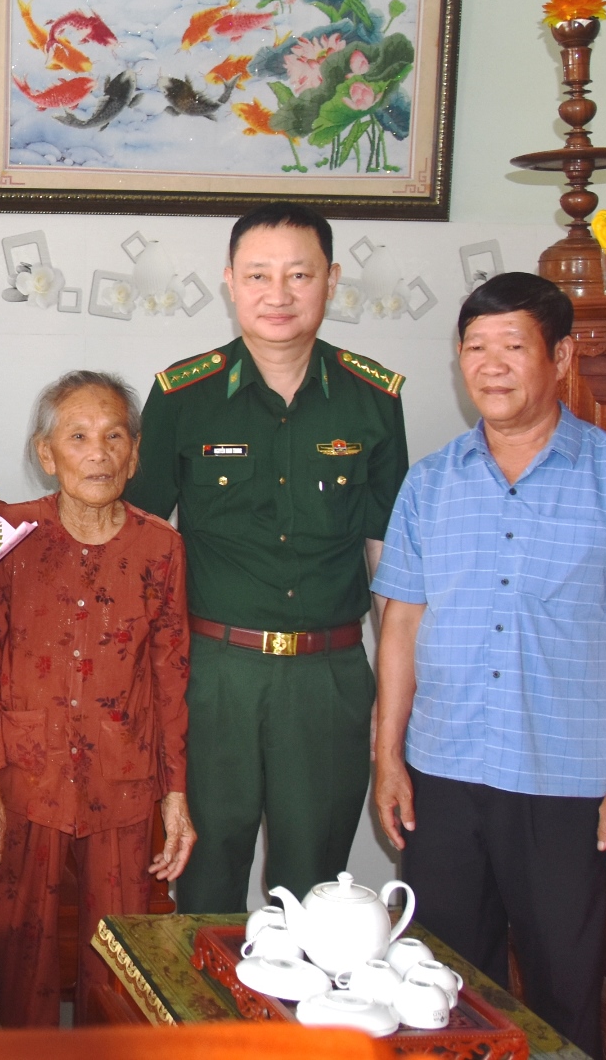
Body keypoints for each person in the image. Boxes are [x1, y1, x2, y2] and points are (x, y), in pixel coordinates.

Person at [370, 273, 606, 1057]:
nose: (490, 365)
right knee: (437, 984)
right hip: (443, 772)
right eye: (474, 348)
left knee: (560, 988)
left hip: (567, 784)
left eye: (512, 346)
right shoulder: (430, 482)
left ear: (560, 356)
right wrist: (386, 755)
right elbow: (401, 623)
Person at [126, 202, 407, 912]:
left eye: (297, 274)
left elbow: (389, 565)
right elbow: (140, 545)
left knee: (314, 886)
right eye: (257, 275)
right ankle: (199, 1024)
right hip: (213, 673)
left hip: (329, 677)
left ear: (330, 280)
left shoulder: (372, 399)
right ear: (228, 282)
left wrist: (394, 705)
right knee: (204, 872)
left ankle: (288, 1022)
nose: (276, 294)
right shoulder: (181, 396)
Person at [0, 371, 195, 1026]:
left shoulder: (161, 547)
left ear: (134, 453)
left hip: (121, 776)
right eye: (78, 436)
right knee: (15, 945)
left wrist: (174, 795)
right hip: (22, 773)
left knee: (118, 953)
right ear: (47, 454)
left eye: (113, 436)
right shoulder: (6, 534)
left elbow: (170, 673)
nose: (97, 453)